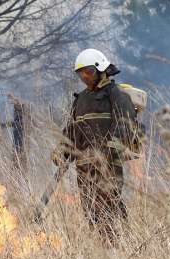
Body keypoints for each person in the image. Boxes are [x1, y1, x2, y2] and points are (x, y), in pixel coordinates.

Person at [52, 48, 137, 246]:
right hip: (83, 167)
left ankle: (119, 247)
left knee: (109, 208)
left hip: (108, 166)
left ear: (101, 69)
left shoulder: (117, 96)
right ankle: (103, 249)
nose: (84, 77)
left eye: (88, 72)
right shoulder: (80, 100)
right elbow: (73, 131)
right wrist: (62, 152)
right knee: (91, 212)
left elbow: (124, 126)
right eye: (80, 73)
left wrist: (108, 152)